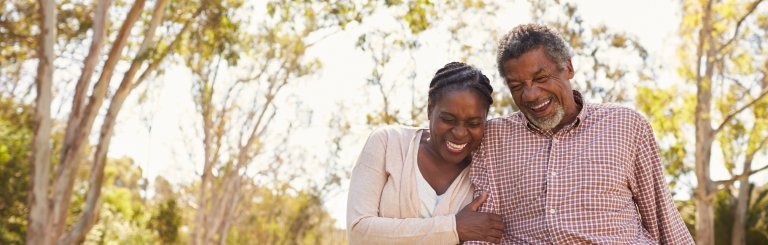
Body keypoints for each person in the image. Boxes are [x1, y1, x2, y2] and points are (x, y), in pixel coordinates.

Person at [467, 24, 694, 244]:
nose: (531, 95)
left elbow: (661, 215)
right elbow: (483, 230)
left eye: (541, 78)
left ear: (568, 68)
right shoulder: (494, 139)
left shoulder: (625, 125)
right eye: (516, 86)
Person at [347, 62, 504, 244]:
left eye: (474, 123)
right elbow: (358, 231)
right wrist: (453, 228)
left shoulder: (487, 171)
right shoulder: (388, 143)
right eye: (448, 119)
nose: (460, 133)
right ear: (430, 110)